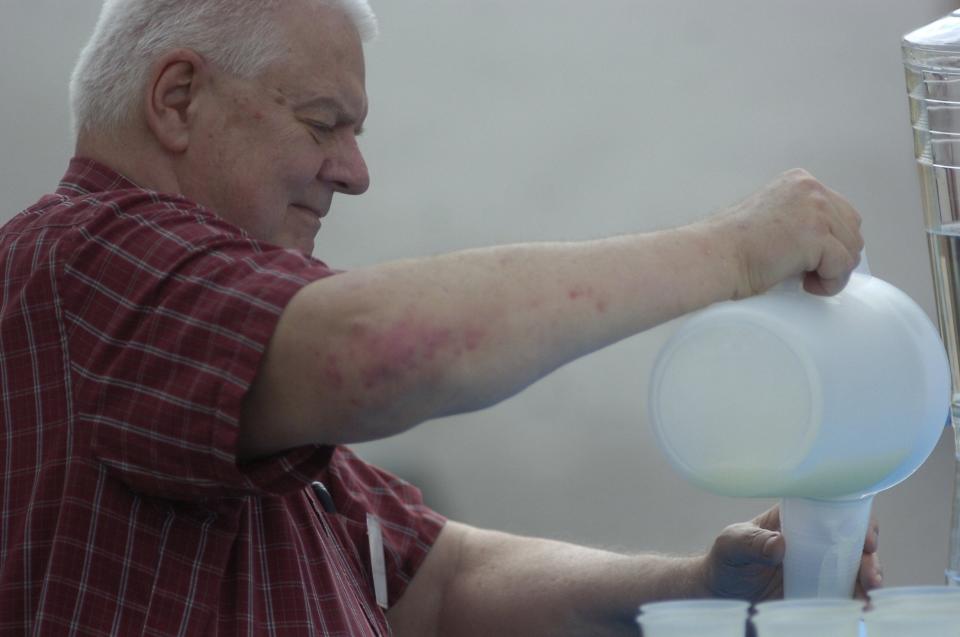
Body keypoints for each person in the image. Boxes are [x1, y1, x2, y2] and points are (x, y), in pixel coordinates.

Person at [0, 0, 879, 635]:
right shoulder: (90, 259)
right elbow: (372, 348)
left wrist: (699, 587)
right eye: (322, 123)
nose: (353, 171)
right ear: (178, 99)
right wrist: (728, 253)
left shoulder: (200, 343)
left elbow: (442, 579)